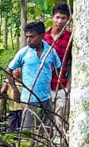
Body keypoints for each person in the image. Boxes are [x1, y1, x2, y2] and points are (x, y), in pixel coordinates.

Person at [7, 21, 61, 133]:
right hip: (28, 98)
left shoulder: (50, 51)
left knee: (47, 129)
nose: (28, 40)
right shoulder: (24, 52)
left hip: (46, 97)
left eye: (32, 37)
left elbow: (58, 67)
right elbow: (9, 70)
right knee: (27, 130)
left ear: (41, 36)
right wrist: (15, 90)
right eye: (27, 37)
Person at [44, 2, 72, 133]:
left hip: (61, 85)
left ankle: (57, 146)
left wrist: (68, 86)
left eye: (63, 18)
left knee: (60, 120)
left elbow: (75, 63)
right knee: (44, 119)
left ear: (68, 20)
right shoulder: (43, 37)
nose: (60, 21)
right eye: (57, 17)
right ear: (52, 18)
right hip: (43, 85)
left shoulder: (71, 38)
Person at [0, 67, 23, 132]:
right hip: (13, 107)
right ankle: (11, 135)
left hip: (23, 107)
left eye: (19, 68)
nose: (16, 70)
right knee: (12, 123)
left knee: (22, 123)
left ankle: (20, 138)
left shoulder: (24, 80)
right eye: (14, 69)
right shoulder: (8, 81)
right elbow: (1, 92)